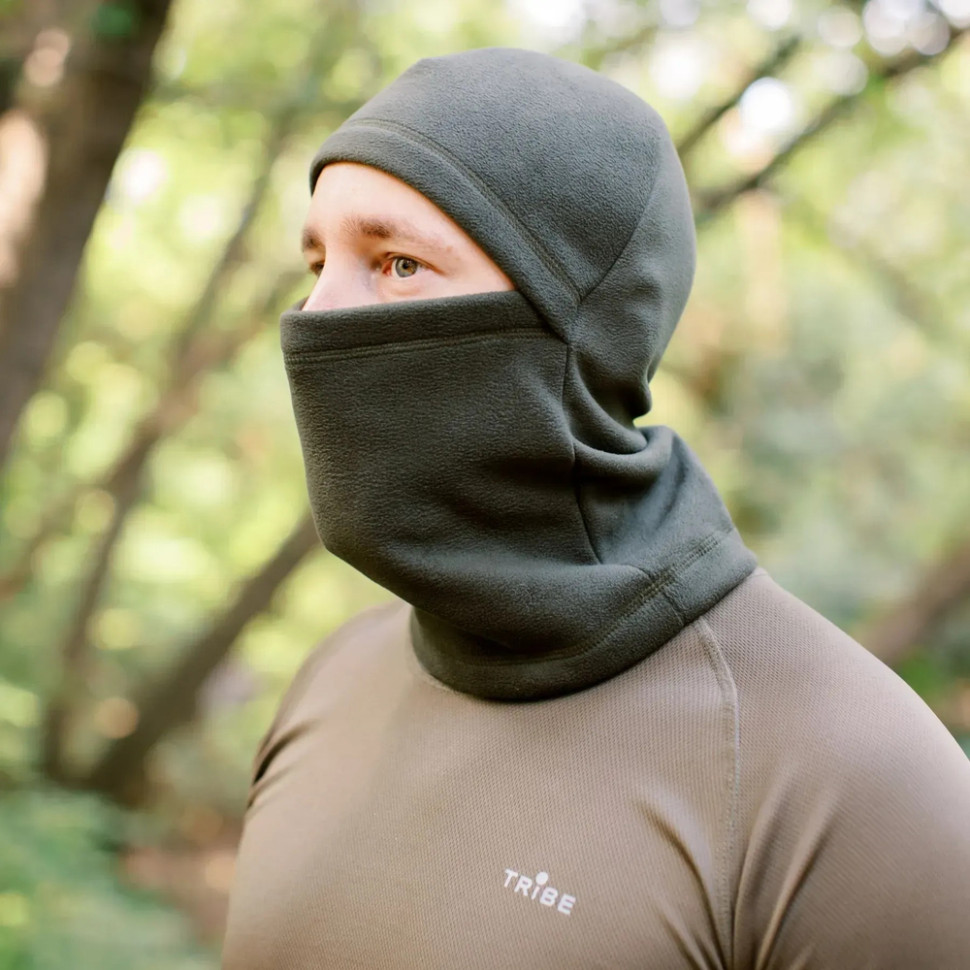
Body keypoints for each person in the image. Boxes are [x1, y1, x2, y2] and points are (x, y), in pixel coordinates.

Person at [221, 47, 970, 969]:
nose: (315, 317)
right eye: (316, 261)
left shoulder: (851, 778)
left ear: (584, 324)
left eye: (398, 263)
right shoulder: (335, 678)